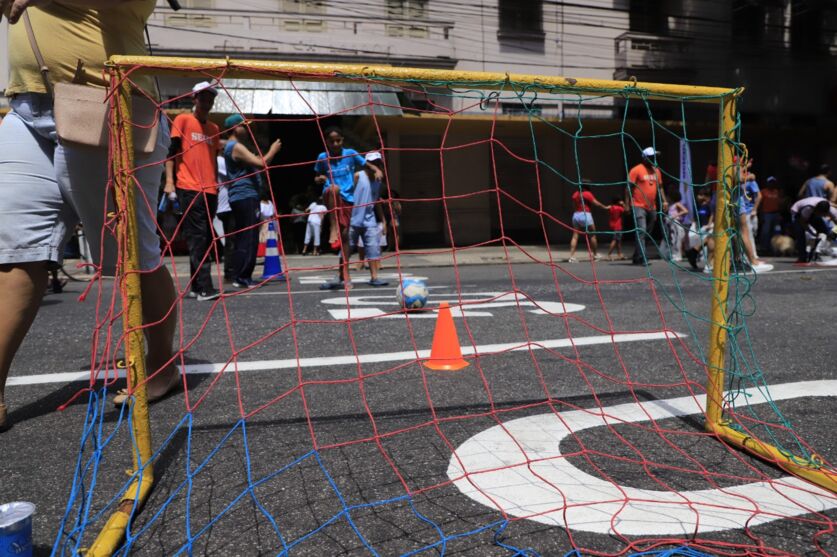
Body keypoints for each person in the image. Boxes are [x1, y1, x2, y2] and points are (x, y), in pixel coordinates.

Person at [0, 0, 179, 428]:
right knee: (15, 249)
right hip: (28, 108)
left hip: (109, 106)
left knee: (130, 257)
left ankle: (161, 365)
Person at [165, 82, 222, 301]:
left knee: (204, 238)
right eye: (203, 98)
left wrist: (216, 185)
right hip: (188, 187)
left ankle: (197, 286)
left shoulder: (214, 129)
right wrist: (169, 182)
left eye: (210, 99)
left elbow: (214, 162)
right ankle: (205, 288)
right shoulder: (183, 120)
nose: (207, 102)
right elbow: (171, 153)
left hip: (210, 190)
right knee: (198, 237)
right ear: (194, 99)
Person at [314, 127, 381, 287]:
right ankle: (333, 226)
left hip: (348, 200)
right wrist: (320, 179)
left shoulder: (350, 153)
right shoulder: (323, 157)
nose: (335, 144)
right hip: (330, 196)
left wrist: (376, 169)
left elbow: (366, 163)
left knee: (346, 240)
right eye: (332, 141)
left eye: (338, 140)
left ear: (342, 140)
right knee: (334, 188)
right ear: (327, 142)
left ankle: (345, 275)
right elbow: (317, 176)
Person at [222, 114, 282, 288]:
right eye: (244, 126)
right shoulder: (235, 146)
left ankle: (242, 275)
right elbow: (262, 163)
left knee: (246, 237)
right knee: (248, 238)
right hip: (244, 195)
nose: (248, 130)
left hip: (245, 196)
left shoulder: (235, 147)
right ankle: (242, 277)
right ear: (235, 128)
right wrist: (273, 150)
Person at [347, 152, 388, 287]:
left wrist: (383, 220)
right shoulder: (358, 176)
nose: (374, 165)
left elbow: (376, 202)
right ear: (367, 163)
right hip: (353, 219)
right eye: (372, 162)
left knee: (373, 249)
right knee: (347, 248)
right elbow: (347, 195)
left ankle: (374, 277)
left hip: (369, 220)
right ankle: (343, 276)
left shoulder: (379, 181)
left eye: (377, 162)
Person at [628, 147, 669, 264]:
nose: (653, 158)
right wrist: (627, 204)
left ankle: (637, 255)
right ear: (645, 158)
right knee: (642, 231)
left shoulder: (657, 171)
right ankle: (643, 257)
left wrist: (664, 201)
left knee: (648, 233)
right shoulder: (636, 170)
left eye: (654, 156)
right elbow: (628, 187)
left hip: (652, 207)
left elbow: (660, 187)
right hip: (638, 205)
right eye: (651, 157)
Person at [567, 184, 609, 262]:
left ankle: (571, 257)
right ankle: (595, 255)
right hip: (585, 214)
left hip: (576, 215)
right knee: (592, 235)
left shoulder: (575, 194)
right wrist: (605, 207)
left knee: (575, 236)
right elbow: (597, 204)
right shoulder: (587, 193)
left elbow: (573, 205)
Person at [790, 197, 837, 263]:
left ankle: (817, 254)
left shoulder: (832, 210)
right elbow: (803, 223)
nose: (823, 216)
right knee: (800, 233)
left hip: (813, 211)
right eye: (821, 214)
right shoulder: (808, 208)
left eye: (824, 215)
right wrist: (812, 233)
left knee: (825, 231)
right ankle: (802, 257)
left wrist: (834, 232)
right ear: (817, 210)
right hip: (798, 212)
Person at [215, 148, 236, 283]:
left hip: (221, 206)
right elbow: (232, 177)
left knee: (230, 241)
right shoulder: (220, 160)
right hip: (227, 205)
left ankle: (230, 271)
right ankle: (229, 273)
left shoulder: (214, 161)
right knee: (231, 241)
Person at [685, 188, 715, 271]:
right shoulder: (699, 206)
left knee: (711, 239)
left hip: (709, 227)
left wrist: (709, 224)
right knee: (711, 240)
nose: (698, 197)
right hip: (703, 228)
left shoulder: (710, 205)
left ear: (707, 196)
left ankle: (694, 251)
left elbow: (712, 214)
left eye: (700, 195)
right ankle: (708, 263)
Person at [738, 172, 763, 267]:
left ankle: (752, 257)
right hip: (741, 208)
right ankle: (747, 259)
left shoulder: (751, 181)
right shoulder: (747, 177)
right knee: (744, 233)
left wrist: (754, 210)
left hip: (748, 211)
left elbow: (759, 196)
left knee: (748, 234)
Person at [758, 176, 784, 253]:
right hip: (767, 214)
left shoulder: (777, 192)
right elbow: (760, 204)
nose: (772, 184)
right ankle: (765, 248)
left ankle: (775, 248)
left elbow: (780, 203)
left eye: (773, 182)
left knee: (776, 231)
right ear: (767, 183)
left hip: (776, 214)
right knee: (766, 231)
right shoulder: (763, 192)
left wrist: (780, 214)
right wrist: (760, 214)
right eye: (770, 182)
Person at [663, 189, 689, 262]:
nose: (667, 198)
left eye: (668, 196)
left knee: (677, 240)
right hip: (670, 225)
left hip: (676, 224)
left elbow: (685, 211)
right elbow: (666, 212)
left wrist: (676, 215)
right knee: (673, 239)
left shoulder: (677, 204)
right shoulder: (670, 205)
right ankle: (674, 254)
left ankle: (678, 256)